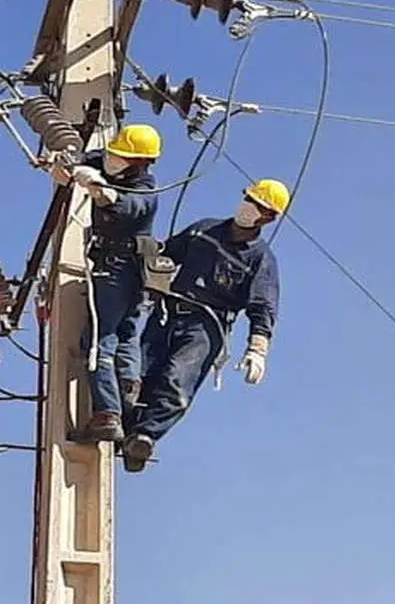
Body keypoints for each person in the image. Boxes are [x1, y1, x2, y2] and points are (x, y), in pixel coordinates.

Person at [121, 178, 288, 472]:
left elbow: (262, 307)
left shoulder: (260, 259)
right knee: (140, 373)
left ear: (268, 218)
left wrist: (257, 349)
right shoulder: (204, 230)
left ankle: (145, 437)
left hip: (206, 326)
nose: (248, 206)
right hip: (168, 313)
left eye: (257, 205)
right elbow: (167, 253)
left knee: (176, 381)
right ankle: (125, 427)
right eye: (249, 198)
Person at [53, 124, 163, 444]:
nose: (112, 159)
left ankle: (107, 414)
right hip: (137, 271)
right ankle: (128, 395)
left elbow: (124, 205)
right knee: (127, 335)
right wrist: (64, 166)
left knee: (99, 340)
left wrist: (99, 189)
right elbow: (86, 160)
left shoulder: (145, 190)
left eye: (121, 156)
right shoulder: (110, 162)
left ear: (139, 163)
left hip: (119, 270)